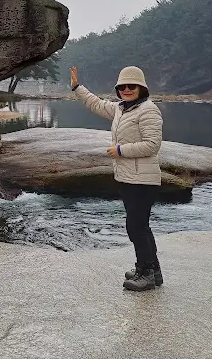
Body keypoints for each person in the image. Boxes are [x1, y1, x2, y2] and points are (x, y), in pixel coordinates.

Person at [70, 65, 164, 291]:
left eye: (132, 86)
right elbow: (96, 104)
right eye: (122, 86)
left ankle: (146, 273)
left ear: (141, 88)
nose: (126, 90)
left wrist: (121, 150)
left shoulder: (148, 110)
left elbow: (152, 145)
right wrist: (77, 88)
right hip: (128, 177)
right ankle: (153, 271)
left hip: (143, 179)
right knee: (139, 226)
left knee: (136, 227)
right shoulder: (122, 109)